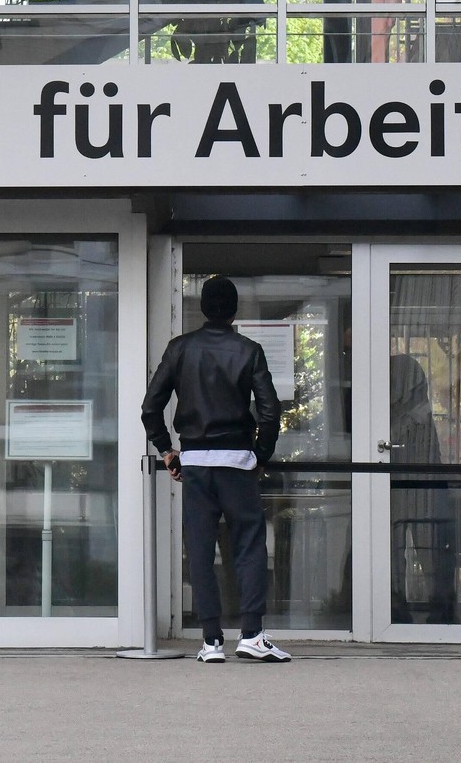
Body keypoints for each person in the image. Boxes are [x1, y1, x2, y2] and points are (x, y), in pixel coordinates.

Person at [140, 276, 287, 663]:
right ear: (234, 310)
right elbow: (270, 410)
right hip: (237, 461)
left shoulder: (179, 349)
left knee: (201, 551)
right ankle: (252, 635)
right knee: (249, 546)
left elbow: (150, 408)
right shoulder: (249, 350)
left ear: (203, 309)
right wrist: (260, 454)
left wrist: (167, 451)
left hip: (196, 464)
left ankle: (210, 641)